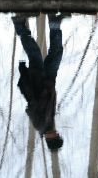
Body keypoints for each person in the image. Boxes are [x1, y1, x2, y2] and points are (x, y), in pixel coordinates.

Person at [12, 13, 66, 152]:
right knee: (56, 53)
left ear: (51, 138)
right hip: (48, 80)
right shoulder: (48, 125)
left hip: (39, 80)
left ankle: (19, 25)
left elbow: (31, 107)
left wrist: (44, 91)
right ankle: (54, 24)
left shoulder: (41, 125)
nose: (58, 133)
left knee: (34, 52)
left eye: (57, 136)